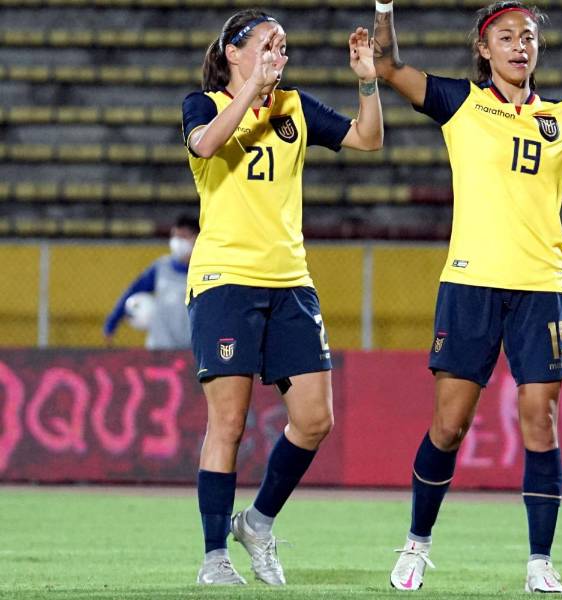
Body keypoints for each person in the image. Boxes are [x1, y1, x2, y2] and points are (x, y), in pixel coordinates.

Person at [371, 0, 562, 592]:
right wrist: (382, 9)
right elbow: (387, 64)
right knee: (449, 425)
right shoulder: (461, 103)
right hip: (470, 283)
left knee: (541, 423)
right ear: (484, 49)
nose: (519, 46)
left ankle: (539, 562)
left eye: (527, 37)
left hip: (541, 287)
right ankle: (417, 544)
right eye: (506, 37)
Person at [182, 9, 383, 585]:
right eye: (268, 44)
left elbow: (369, 139)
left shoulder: (295, 106)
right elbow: (206, 147)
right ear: (233, 54)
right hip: (225, 279)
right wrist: (251, 89)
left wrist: (367, 79)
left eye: (284, 46)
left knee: (316, 419)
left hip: (290, 281)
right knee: (230, 422)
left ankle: (259, 523)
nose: (279, 54)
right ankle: (215, 556)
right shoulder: (204, 104)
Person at [103, 215, 200, 350]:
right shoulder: (161, 267)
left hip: (191, 350)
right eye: (175, 237)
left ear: (196, 239)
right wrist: (111, 324)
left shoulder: (203, 272)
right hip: (159, 348)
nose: (177, 242)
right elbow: (133, 291)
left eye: (183, 237)